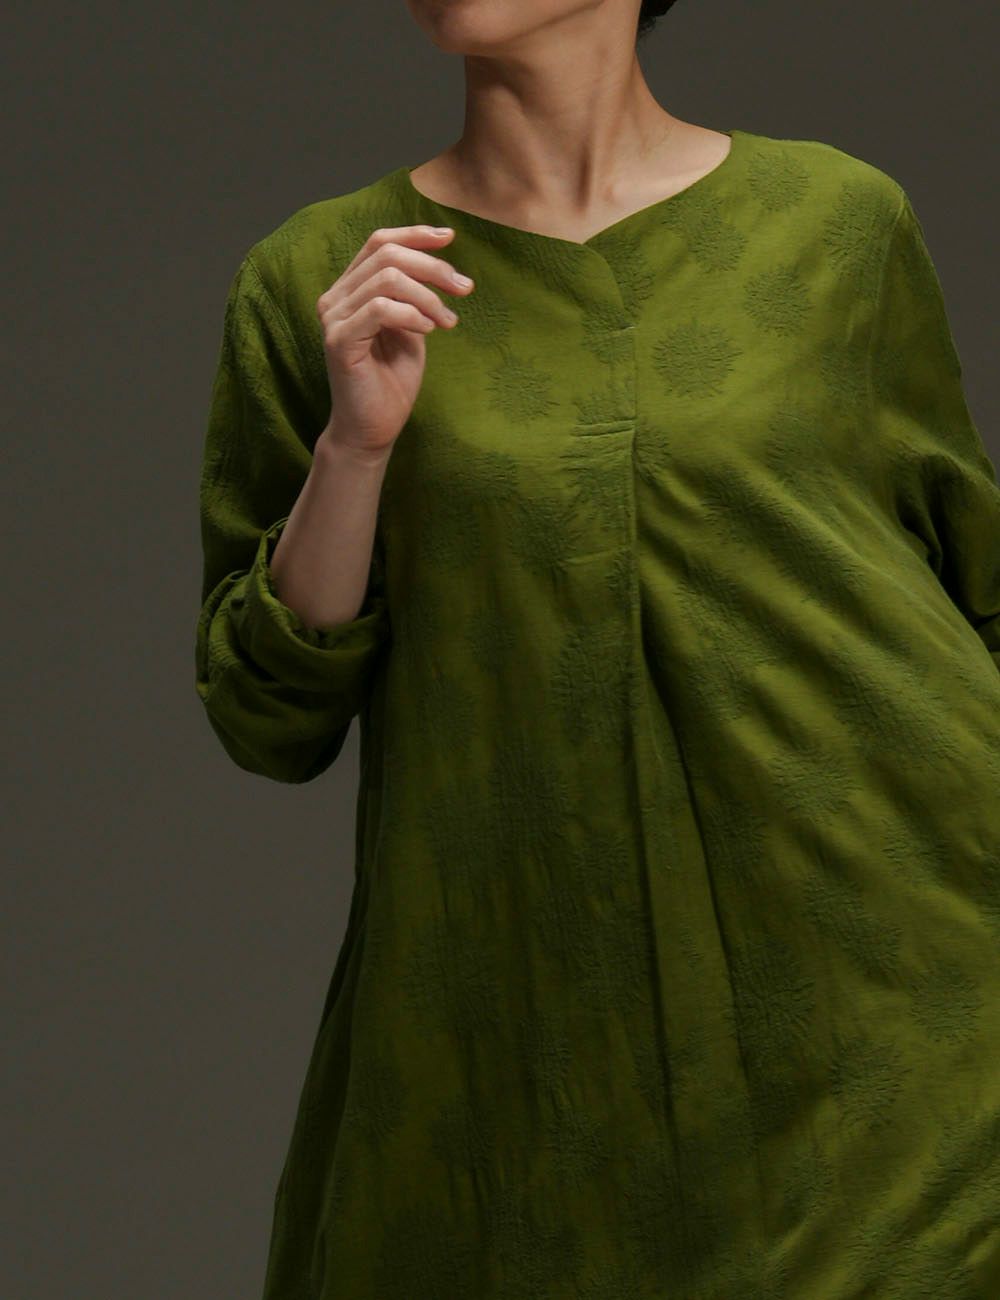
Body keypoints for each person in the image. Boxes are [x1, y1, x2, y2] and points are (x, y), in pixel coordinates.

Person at [195, 1, 1000, 1295]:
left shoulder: (839, 224)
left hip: (896, 987)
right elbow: (266, 716)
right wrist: (354, 446)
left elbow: (973, 576)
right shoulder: (322, 280)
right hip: (528, 1027)